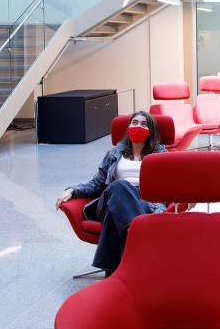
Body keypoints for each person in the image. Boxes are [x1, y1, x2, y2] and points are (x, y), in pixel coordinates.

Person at [55, 110, 167, 273]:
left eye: (144, 124)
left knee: (113, 216)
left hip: (143, 203)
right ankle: (139, 237)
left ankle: (113, 272)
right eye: (134, 123)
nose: (138, 126)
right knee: (119, 186)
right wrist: (73, 190)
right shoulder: (115, 153)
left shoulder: (160, 154)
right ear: (128, 127)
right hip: (112, 197)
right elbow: (97, 183)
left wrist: (187, 193)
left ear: (151, 130)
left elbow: (172, 180)